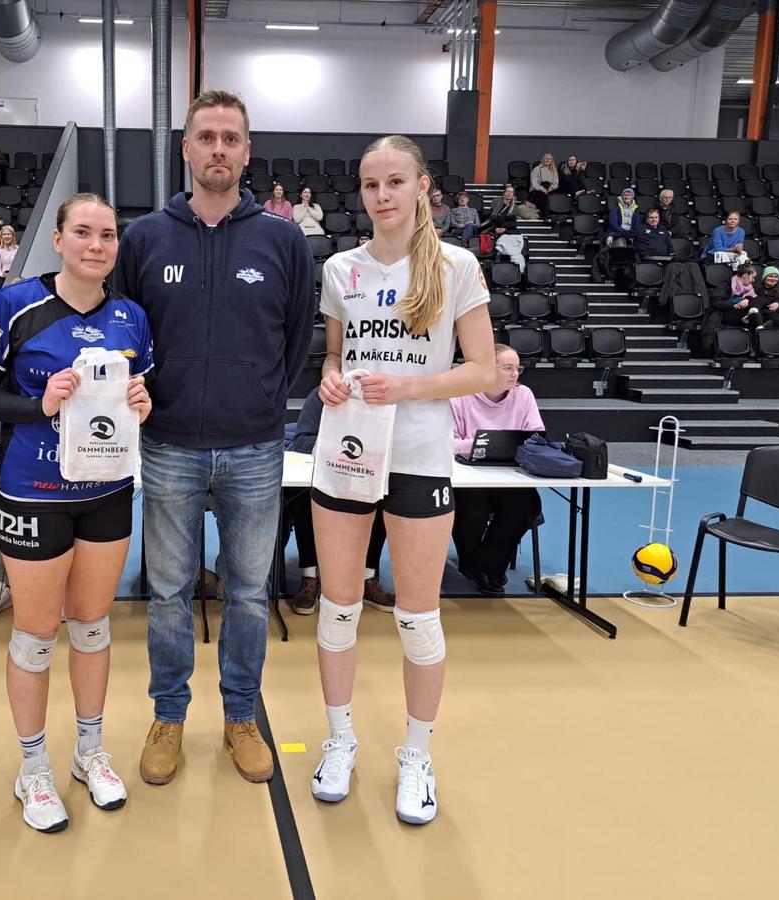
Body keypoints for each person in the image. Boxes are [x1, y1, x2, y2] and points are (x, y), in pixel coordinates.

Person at [112, 89, 314, 787]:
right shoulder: (144, 238)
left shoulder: (283, 240)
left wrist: (258, 398)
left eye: (231, 138)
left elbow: (296, 339)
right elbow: (126, 331)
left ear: (247, 151)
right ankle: (168, 715)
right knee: (168, 593)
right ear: (187, 149)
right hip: (168, 443)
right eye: (207, 137)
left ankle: (241, 716)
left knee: (250, 593)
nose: (219, 149)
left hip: (255, 446)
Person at [310, 134, 494, 823]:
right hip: (349, 451)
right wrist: (332, 380)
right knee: (339, 607)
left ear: (422, 188)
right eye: (370, 184)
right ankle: (340, 739)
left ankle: (417, 754)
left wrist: (408, 387)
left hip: (419, 456)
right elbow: (334, 357)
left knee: (417, 617)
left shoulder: (456, 266)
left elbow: (482, 370)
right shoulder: (341, 269)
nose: (382, 195)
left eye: (394, 181)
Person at [0, 192, 153, 833]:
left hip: (107, 492)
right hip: (34, 492)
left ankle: (90, 752)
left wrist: (143, 402)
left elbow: (143, 391)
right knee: (37, 633)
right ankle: (33, 766)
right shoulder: (14, 305)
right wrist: (38, 404)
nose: (96, 245)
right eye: (84, 232)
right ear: (59, 240)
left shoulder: (131, 316)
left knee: (92, 626)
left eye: (107, 235)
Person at [284, 387, 394, 615]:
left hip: (366, 477)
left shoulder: (383, 397)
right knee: (304, 496)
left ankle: (368, 577)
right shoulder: (322, 394)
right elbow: (302, 440)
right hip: (328, 472)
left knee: (382, 497)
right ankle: (309, 576)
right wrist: (337, 455)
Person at [450, 345, 544, 595]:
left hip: (509, 475)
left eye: (518, 368)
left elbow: (536, 435)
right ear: (488, 369)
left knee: (528, 505)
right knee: (472, 509)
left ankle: (487, 567)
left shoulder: (524, 395)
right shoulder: (460, 396)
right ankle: (473, 566)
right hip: (468, 476)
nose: (515, 374)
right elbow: (448, 441)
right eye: (508, 368)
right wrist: (481, 444)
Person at [527, 153, 558, 218]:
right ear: (543, 160)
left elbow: (555, 183)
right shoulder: (537, 169)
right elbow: (534, 184)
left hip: (549, 189)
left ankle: (555, 214)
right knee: (543, 196)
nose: (548, 160)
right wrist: (542, 189)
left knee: (556, 196)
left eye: (550, 159)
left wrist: (552, 187)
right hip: (537, 190)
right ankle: (545, 215)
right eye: (546, 158)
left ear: (552, 161)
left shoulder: (554, 171)